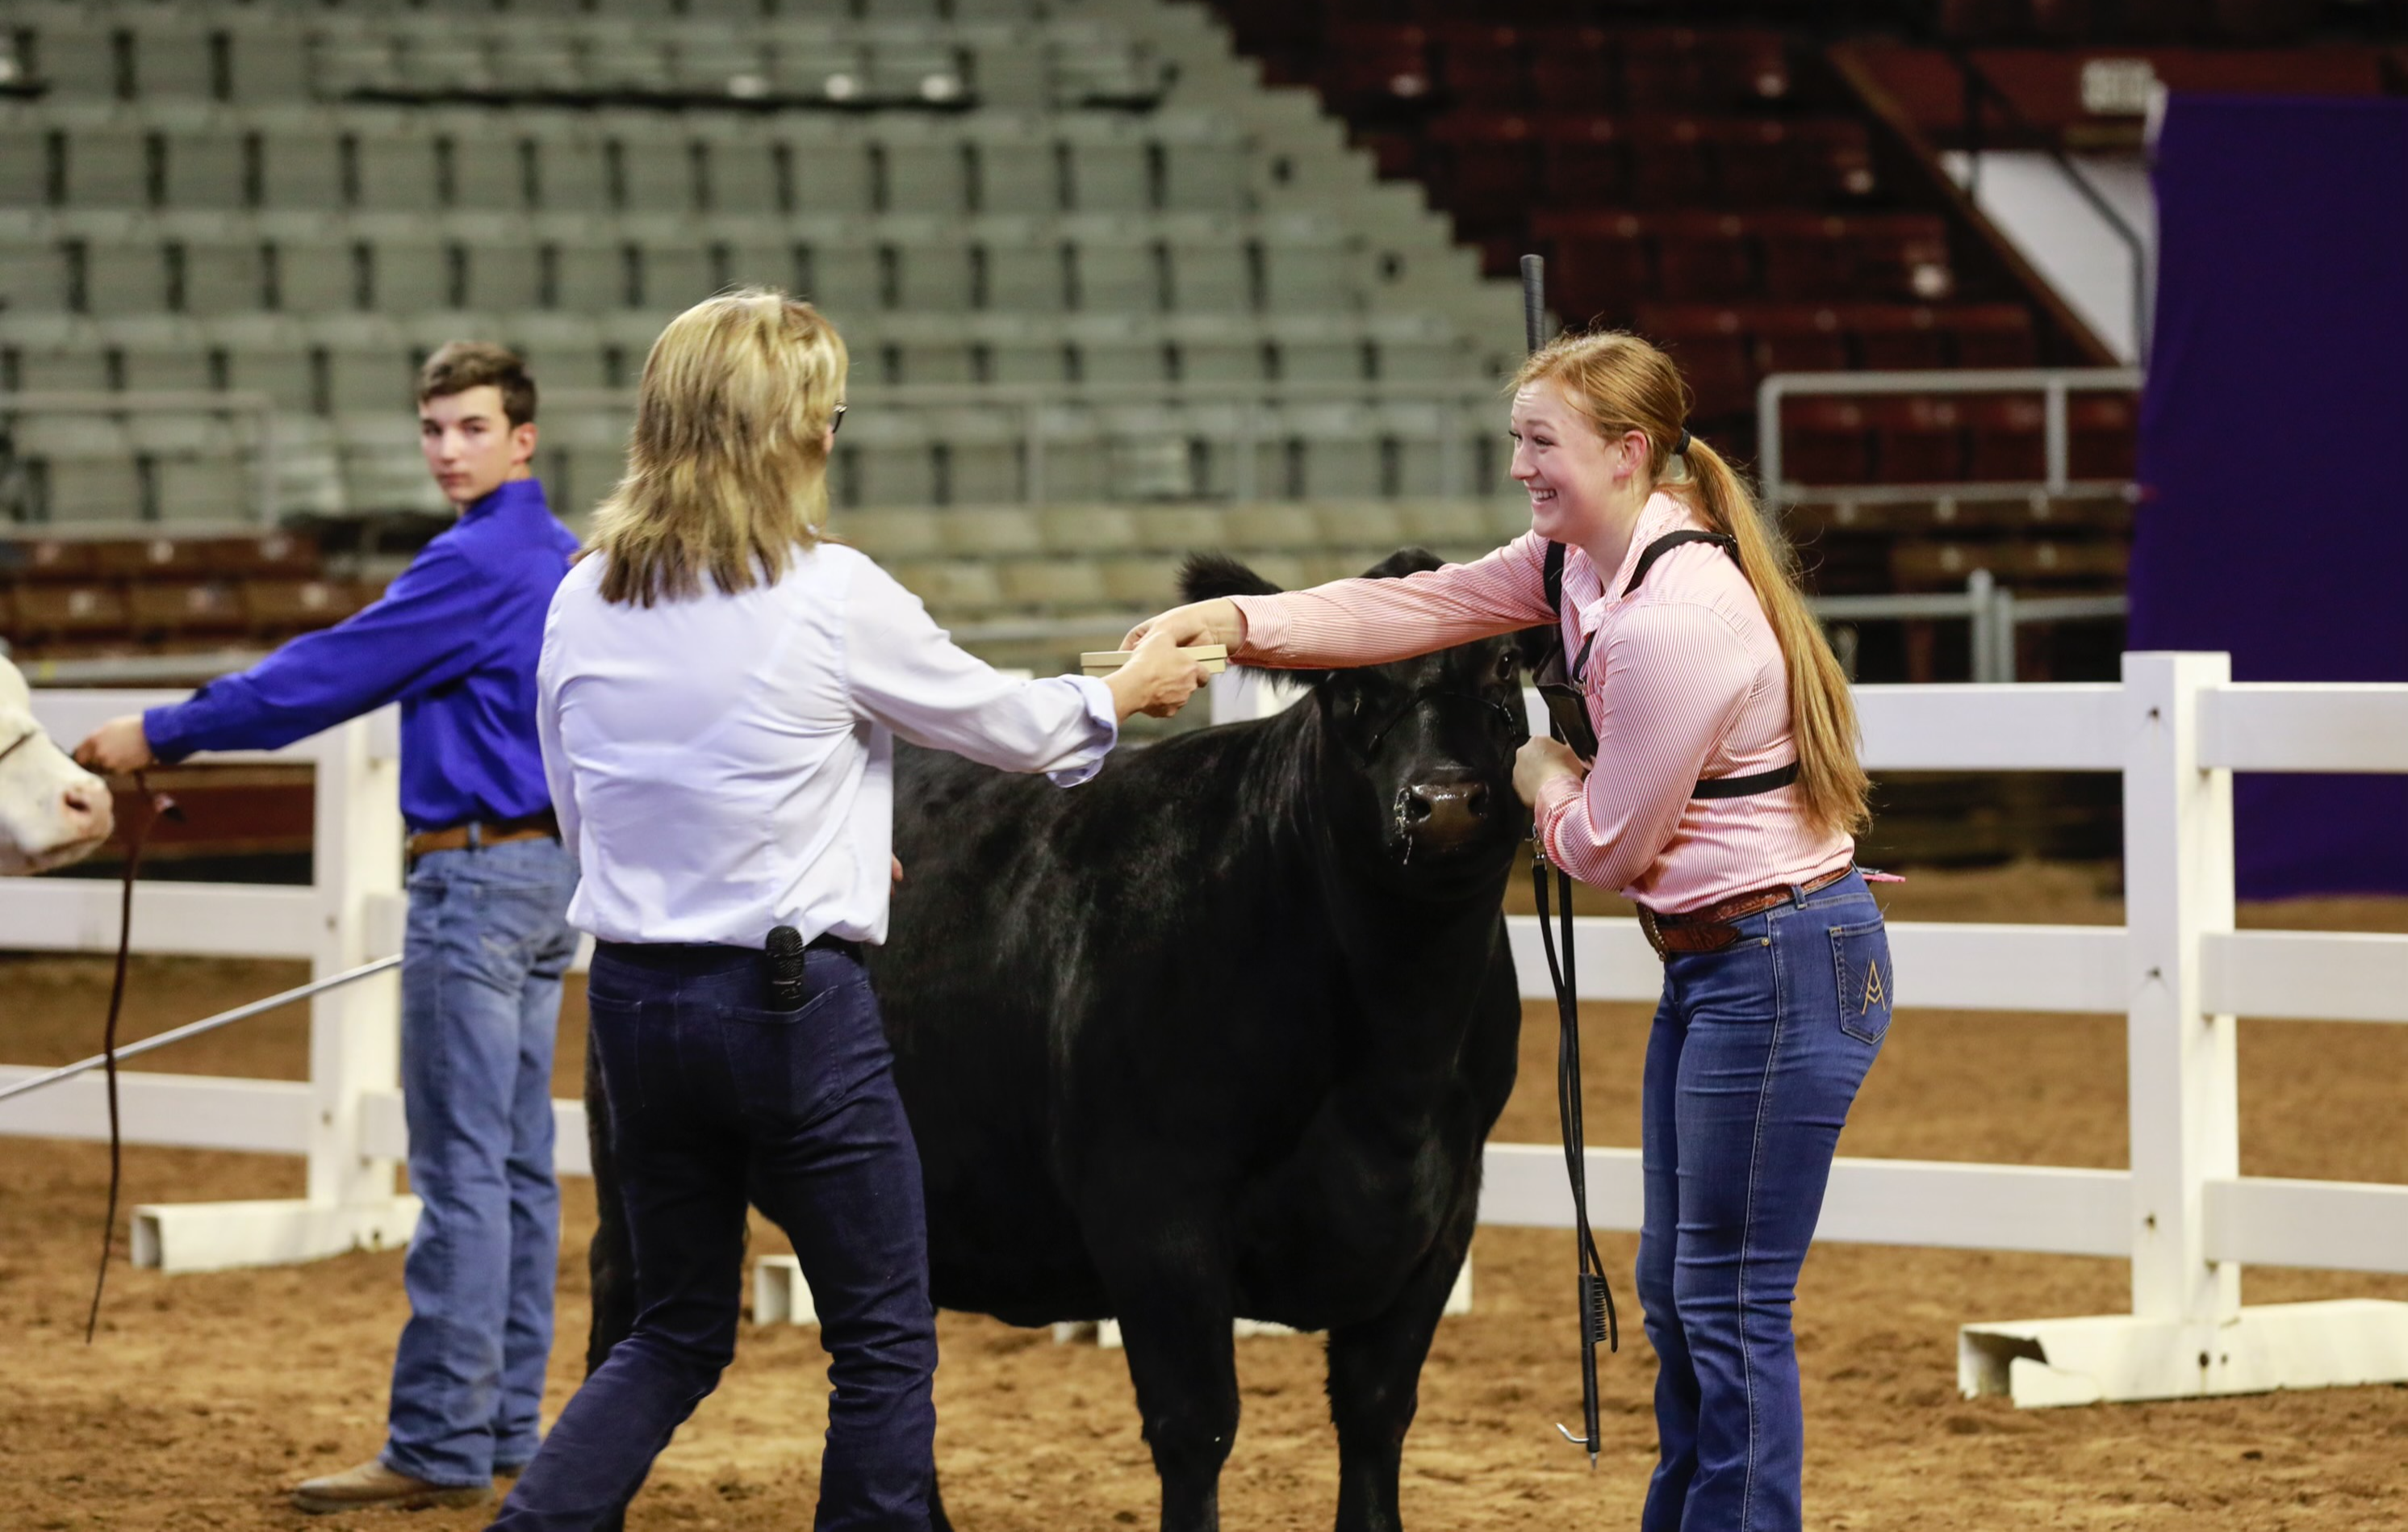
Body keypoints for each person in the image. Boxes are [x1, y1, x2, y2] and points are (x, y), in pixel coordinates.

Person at [1127, 330, 1890, 1532]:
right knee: (1681, 1296)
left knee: (1726, 1304)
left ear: (1629, 452)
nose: (1521, 467)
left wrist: (1539, 773)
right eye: (1517, 441)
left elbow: (1606, 849)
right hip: (1728, 969)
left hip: (1780, 966)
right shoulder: (1577, 567)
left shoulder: (1669, 622)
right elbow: (1418, 607)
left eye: (1543, 443)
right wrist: (1230, 622)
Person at [495, 290, 1207, 1531]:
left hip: (635, 1003)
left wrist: (809, 853)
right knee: (882, 1339)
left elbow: (586, 808)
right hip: (787, 1010)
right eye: (827, 413)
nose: (834, 435)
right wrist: (1121, 688)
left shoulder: (581, 594)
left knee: (670, 1334)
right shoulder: (829, 591)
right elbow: (1003, 725)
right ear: (791, 434)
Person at [77, 342, 583, 1516]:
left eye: (469, 428)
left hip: (472, 880)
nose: (447, 450)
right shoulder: (558, 557)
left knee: (464, 1173)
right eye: (433, 429)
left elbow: (324, 673)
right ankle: (503, 1428)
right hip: (545, 877)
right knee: (512, 1170)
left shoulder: (472, 564)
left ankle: (439, 1444)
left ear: (522, 441)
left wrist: (165, 729)